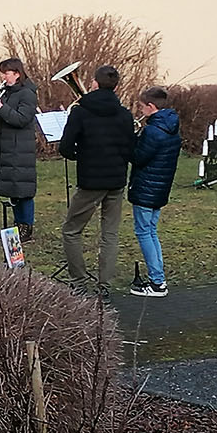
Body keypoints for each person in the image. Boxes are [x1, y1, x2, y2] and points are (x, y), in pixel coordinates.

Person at [57, 65, 135, 296]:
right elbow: (130, 151)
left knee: (71, 230)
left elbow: (65, 148)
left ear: (94, 83)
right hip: (116, 181)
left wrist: (82, 155)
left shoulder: (80, 112)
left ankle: (79, 283)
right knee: (109, 234)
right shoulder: (124, 114)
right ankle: (104, 286)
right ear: (117, 86)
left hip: (90, 181)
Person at [127, 86, 181, 298]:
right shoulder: (171, 127)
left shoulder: (152, 130)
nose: (141, 111)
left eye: (142, 107)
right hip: (159, 188)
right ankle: (158, 278)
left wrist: (131, 139)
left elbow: (138, 157)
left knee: (144, 232)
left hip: (146, 188)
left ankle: (157, 282)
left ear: (151, 106)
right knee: (151, 231)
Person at [0, 57, 39, 242]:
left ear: (16, 73)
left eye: (5, 73)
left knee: (23, 190)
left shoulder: (28, 94)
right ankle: (17, 226)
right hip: (6, 146)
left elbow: (22, 119)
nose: (3, 77)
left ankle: (26, 228)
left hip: (20, 148)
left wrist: (1, 107)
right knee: (13, 190)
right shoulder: (7, 92)